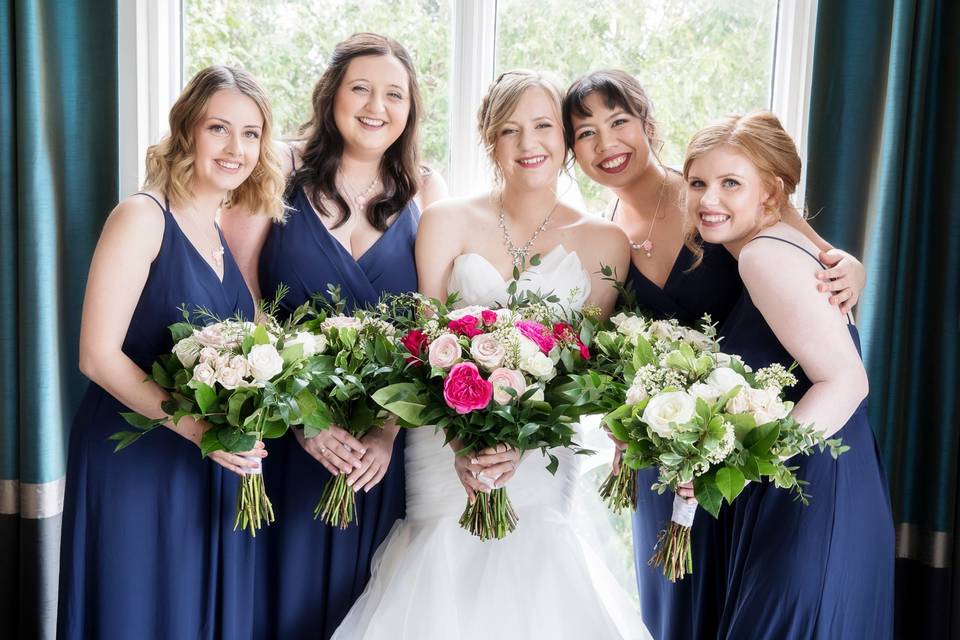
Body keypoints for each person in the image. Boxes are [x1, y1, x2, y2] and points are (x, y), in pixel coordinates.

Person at [334, 69, 650, 640]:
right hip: (439, 446)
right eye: (510, 130)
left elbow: (582, 369)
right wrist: (463, 442)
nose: (528, 145)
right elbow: (423, 345)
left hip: (542, 457)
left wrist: (518, 449)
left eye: (543, 127)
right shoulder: (445, 220)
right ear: (489, 139)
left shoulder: (606, 242)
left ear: (566, 137)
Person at [562, 69, 868, 639]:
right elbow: (606, 347)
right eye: (585, 133)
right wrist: (623, 414)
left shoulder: (714, 190)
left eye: (619, 121)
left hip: (759, 444)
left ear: (647, 124)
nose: (606, 144)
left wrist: (852, 265)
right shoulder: (604, 236)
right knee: (679, 613)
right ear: (571, 150)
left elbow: (813, 255)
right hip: (673, 451)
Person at [219, 33, 447, 639]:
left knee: (367, 604)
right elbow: (241, 299)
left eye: (394, 94)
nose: (377, 106)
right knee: (280, 604)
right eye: (361, 88)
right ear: (332, 96)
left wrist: (386, 430)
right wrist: (302, 417)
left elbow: (430, 326)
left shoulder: (429, 191)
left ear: (411, 110)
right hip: (289, 439)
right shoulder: (279, 170)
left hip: (377, 453)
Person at [57, 65, 284, 639]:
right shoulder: (142, 216)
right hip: (136, 457)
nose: (236, 148)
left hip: (202, 460)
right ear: (187, 132)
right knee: (139, 611)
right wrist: (199, 431)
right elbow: (97, 355)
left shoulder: (215, 231)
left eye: (252, 133)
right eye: (219, 128)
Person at [684, 110, 893, 638]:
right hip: (830, 477)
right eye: (698, 183)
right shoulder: (786, 242)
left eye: (731, 183)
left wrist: (735, 467)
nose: (709, 199)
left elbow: (848, 382)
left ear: (770, 192)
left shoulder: (762, 255)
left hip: (811, 490)